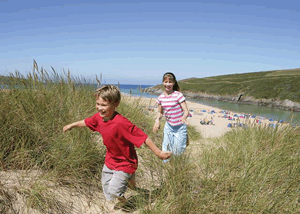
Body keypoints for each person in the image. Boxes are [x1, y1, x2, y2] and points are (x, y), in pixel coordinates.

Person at [63, 85, 171, 211]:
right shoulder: (99, 117)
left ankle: (126, 195)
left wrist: (159, 153)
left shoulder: (121, 123)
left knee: (114, 191)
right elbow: (87, 122)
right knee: (106, 186)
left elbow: (143, 137)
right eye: (98, 103)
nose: (99, 108)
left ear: (116, 104)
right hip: (110, 160)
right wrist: (72, 125)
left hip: (126, 162)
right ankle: (128, 182)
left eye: (104, 105)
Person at [152, 72, 189, 161]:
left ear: (174, 83)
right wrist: (157, 121)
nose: (167, 84)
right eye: (165, 82)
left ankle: (176, 168)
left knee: (177, 152)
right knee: (165, 150)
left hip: (180, 127)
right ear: (163, 82)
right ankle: (166, 167)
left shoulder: (178, 95)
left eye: (170, 82)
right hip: (168, 127)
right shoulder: (160, 98)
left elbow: (186, 111)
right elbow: (160, 113)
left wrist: (183, 117)